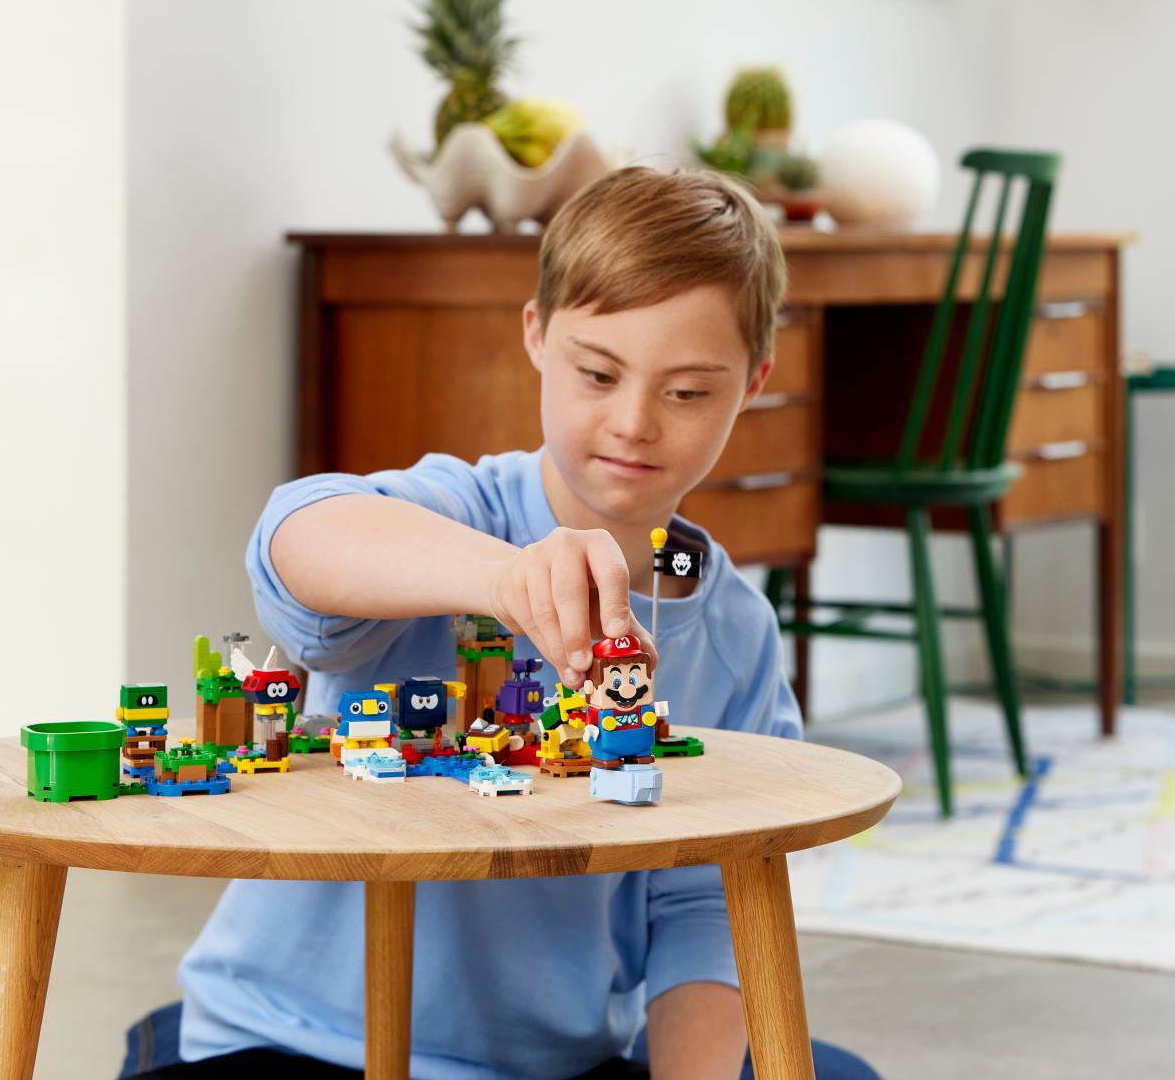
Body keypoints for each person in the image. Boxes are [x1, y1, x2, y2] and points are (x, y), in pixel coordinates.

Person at [123, 168, 879, 1080]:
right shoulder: (461, 510)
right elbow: (295, 536)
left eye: (687, 392)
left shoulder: (735, 634)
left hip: (550, 1064)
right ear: (536, 335)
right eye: (597, 373)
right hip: (300, 1039)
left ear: (753, 382)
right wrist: (504, 576)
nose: (634, 422)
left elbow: (706, 906)